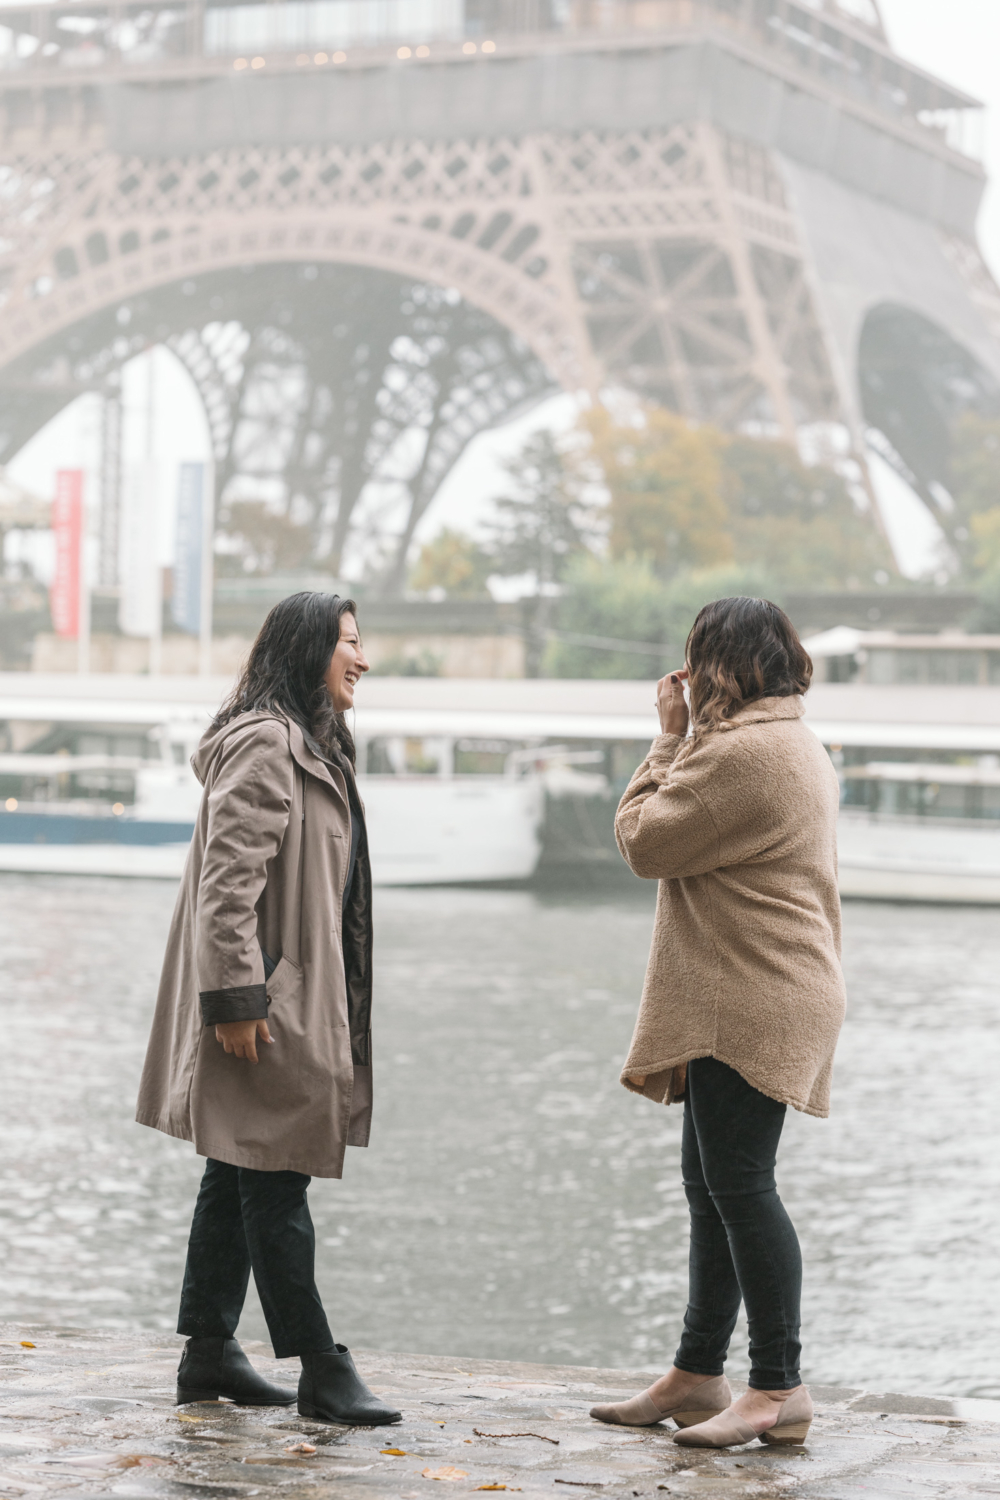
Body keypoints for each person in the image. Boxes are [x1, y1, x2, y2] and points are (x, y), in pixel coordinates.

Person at [136, 592, 401, 1426]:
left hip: (283, 998)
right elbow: (229, 885)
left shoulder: (312, 746)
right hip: (262, 1007)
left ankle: (208, 1355)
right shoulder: (269, 745)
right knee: (275, 1181)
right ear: (307, 649)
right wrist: (238, 1000)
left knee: (237, 1169)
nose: (362, 658)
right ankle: (321, 1366)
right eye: (348, 643)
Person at [590, 597, 845, 1450]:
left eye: (695, 661)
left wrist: (667, 736)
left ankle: (778, 1386)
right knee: (715, 1188)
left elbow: (644, 842)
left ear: (720, 668)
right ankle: (699, 1372)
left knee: (740, 1186)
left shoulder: (743, 755)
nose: (687, 678)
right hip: (758, 986)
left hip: (753, 995)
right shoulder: (792, 740)